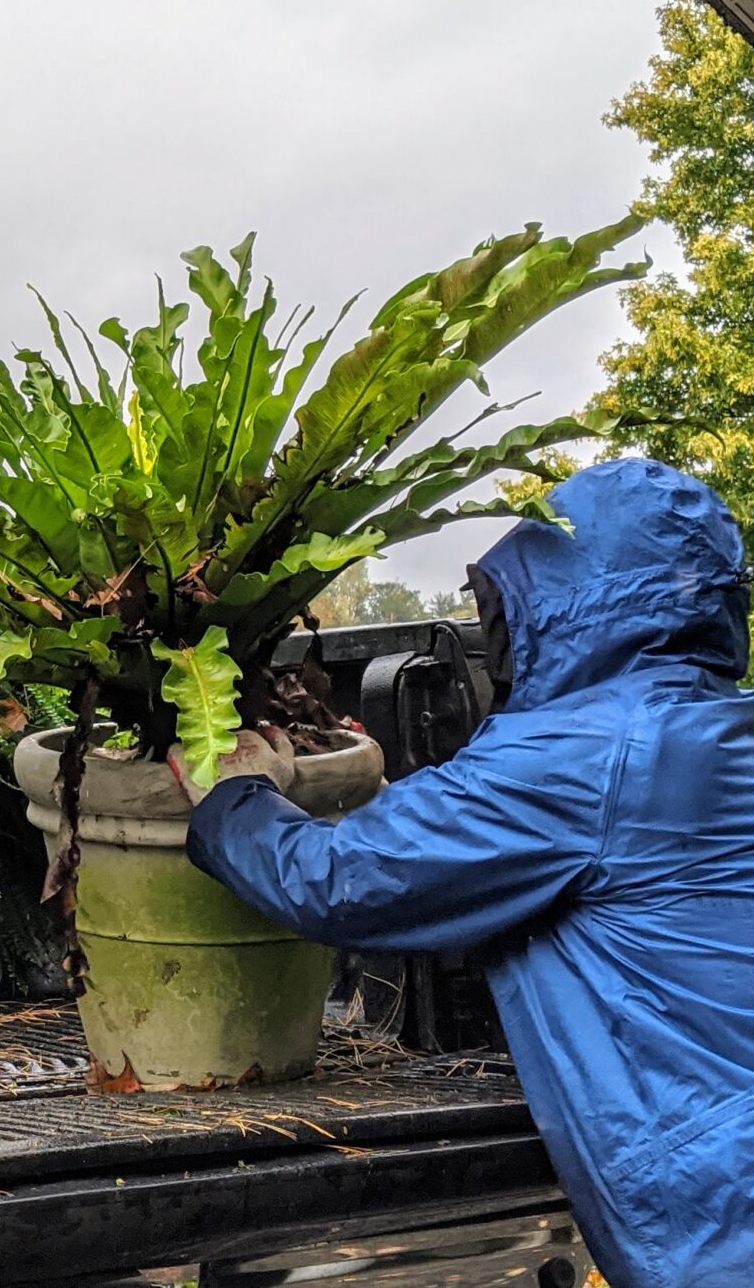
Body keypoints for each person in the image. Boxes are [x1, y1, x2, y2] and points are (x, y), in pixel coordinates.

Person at [175, 458, 754, 1288]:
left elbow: (341, 878)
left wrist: (231, 795)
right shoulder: (720, 731)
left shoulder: (583, 754)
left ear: (568, 603)